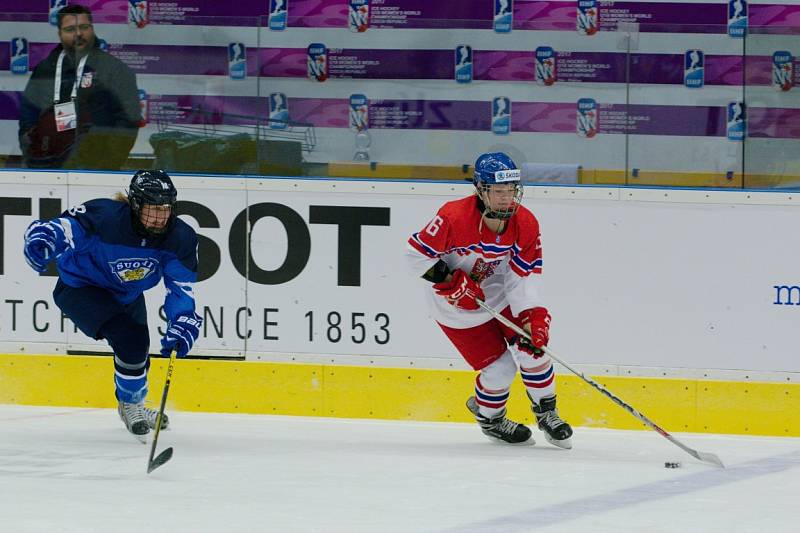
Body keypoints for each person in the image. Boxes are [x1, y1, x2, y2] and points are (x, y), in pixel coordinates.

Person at [405, 152, 573, 448]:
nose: (506, 198)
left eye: (510, 191)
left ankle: (547, 413)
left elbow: (523, 275)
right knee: (500, 370)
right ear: (481, 189)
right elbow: (415, 257)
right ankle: (490, 418)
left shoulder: (526, 223)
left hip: (499, 294)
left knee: (534, 348)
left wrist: (531, 316)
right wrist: (451, 282)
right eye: (498, 191)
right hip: (455, 306)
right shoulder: (453, 216)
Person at [22, 170, 201, 442]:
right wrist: (45, 237)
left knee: (137, 349)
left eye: (165, 209)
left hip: (127, 294)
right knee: (131, 339)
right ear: (135, 205)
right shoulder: (105, 216)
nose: (159, 217)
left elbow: (180, 288)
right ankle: (131, 405)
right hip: (80, 287)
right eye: (152, 209)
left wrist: (183, 319)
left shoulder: (180, 237)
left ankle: (133, 404)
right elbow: (65, 227)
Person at [18, 5, 141, 170]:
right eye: (70, 29)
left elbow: (128, 122)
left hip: (96, 169)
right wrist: (34, 156)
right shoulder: (45, 69)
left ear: (92, 28)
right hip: (47, 167)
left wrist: (107, 165)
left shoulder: (114, 69)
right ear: (60, 33)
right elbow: (28, 116)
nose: (78, 34)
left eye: (84, 27)